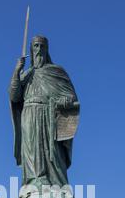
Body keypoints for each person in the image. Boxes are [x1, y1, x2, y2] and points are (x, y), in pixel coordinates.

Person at [9, 36, 78, 187]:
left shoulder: (56, 71)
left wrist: (66, 100)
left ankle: (55, 183)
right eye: (35, 46)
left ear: (46, 50)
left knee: (51, 152)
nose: (39, 49)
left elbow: (71, 95)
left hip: (48, 115)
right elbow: (14, 97)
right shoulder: (26, 74)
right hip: (28, 114)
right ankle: (33, 182)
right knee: (31, 149)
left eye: (41, 46)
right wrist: (17, 71)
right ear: (31, 50)